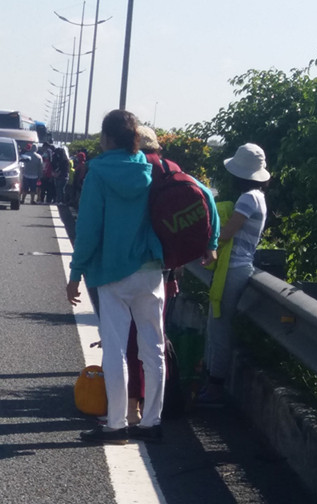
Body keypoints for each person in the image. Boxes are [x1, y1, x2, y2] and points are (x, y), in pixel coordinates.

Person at [66, 110, 165, 444]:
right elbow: (204, 197)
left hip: (112, 273)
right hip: (151, 270)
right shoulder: (150, 169)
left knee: (116, 349)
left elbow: (89, 229)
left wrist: (75, 273)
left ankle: (117, 424)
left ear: (106, 139)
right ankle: (152, 422)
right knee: (153, 349)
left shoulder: (98, 173)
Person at [124, 126, 219, 424]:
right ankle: (156, 406)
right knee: (155, 339)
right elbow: (208, 201)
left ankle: (132, 404)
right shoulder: (175, 172)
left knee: (131, 339)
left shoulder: (134, 171)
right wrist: (211, 244)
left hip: (135, 265)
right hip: (168, 268)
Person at [198, 143, 270, 407]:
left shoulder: (247, 198)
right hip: (241, 266)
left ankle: (215, 385)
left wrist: (206, 241)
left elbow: (226, 232)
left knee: (219, 325)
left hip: (233, 268)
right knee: (218, 324)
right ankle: (212, 380)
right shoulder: (259, 197)